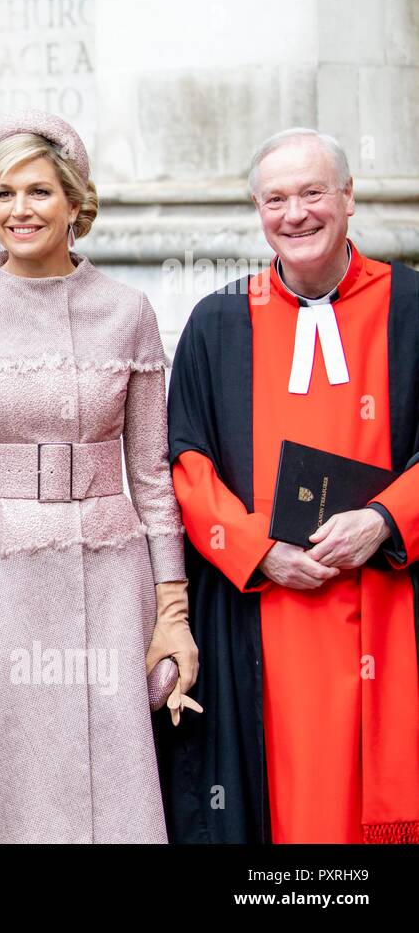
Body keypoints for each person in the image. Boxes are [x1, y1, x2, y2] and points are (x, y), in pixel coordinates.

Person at [0, 110, 199, 843]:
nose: (19, 210)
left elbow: (152, 474)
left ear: (74, 203)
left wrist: (173, 612)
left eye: (37, 192)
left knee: (103, 783)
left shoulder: (127, 312)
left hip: (107, 573)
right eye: (3, 194)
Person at [162, 128, 419, 843]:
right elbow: (185, 461)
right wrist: (256, 550)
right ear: (257, 209)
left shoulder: (412, 308)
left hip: (389, 602)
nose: (295, 213)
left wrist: (385, 519)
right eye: (276, 198)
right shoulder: (218, 322)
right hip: (261, 607)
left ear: (349, 198)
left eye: (312, 193)